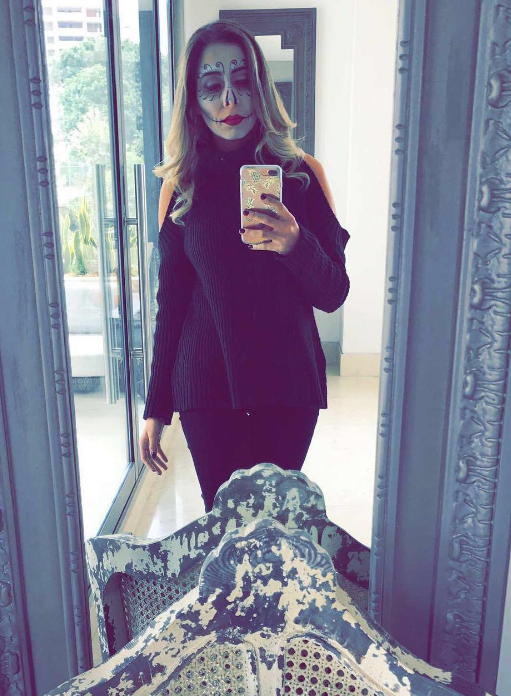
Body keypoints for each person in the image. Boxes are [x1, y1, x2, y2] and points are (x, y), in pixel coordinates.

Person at [139, 20, 350, 512]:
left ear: (261, 87)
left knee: (275, 526)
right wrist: (156, 407)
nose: (229, 100)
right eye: (212, 86)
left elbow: (334, 292)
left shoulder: (301, 175)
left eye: (242, 81)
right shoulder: (180, 186)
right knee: (225, 526)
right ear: (193, 101)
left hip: (288, 384)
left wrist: (295, 243)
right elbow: (171, 304)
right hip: (206, 387)